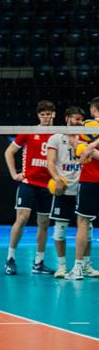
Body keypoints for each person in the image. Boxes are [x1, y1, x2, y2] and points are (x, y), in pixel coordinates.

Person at [4, 100, 57, 276]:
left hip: (48, 185)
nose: (46, 118)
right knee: (22, 218)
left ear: (54, 114)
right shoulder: (30, 131)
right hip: (28, 183)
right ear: (38, 116)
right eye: (43, 114)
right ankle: (10, 258)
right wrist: (14, 174)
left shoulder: (58, 135)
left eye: (48, 114)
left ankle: (39, 262)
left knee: (44, 224)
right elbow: (9, 152)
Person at [45, 107, 85, 279]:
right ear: (67, 118)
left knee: (87, 230)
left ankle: (85, 265)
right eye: (76, 119)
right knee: (59, 231)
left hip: (83, 188)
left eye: (81, 119)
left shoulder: (85, 137)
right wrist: (57, 179)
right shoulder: (56, 138)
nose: (79, 122)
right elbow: (50, 162)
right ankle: (61, 266)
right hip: (63, 189)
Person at [74, 97, 99, 278]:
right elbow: (82, 157)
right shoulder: (85, 128)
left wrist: (90, 147)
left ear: (92, 109)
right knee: (85, 223)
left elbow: (83, 158)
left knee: (83, 223)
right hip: (90, 180)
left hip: (89, 182)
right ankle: (83, 265)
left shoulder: (84, 128)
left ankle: (77, 268)